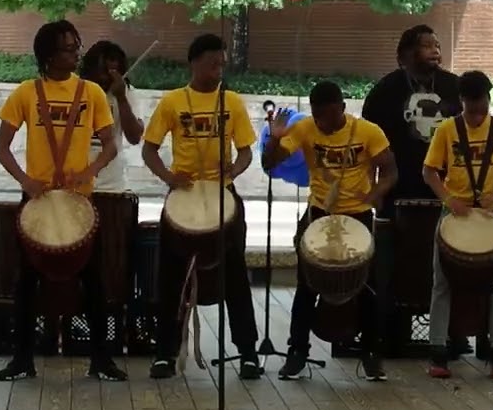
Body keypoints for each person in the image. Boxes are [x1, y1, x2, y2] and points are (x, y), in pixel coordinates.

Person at [0, 20, 126, 382]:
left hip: (79, 201)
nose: (76, 54)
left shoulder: (91, 93)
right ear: (48, 55)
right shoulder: (27, 93)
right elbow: (1, 148)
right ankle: (23, 359)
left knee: (94, 282)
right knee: (26, 281)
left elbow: (110, 145)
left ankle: (101, 359)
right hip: (37, 200)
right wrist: (25, 180)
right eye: (68, 48)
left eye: (76, 46)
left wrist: (89, 170)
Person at [142, 33, 262, 380]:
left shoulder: (232, 102)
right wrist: (168, 177)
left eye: (221, 64)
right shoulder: (173, 102)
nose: (218, 70)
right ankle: (165, 353)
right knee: (171, 278)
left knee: (235, 275)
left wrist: (233, 170)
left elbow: (246, 152)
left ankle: (248, 353)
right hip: (183, 196)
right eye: (212, 64)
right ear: (194, 62)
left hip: (223, 195)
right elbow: (149, 149)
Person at [262, 81, 399, 381]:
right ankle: (297, 352)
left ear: (342, 108)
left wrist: (375, 193)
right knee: (306, 286)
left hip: (357, 215)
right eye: (317, 116)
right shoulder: (305, 128)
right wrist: (274, 138)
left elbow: (390, 170)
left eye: (327, 115)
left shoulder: (368, 131)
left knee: (367, 286)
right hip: (319, 213)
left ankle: (371, 354)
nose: (321, 123)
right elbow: (269, 163)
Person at [361, 25, 468, 353]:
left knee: (451, 260)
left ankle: (454, 331)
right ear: (406, 54)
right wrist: (375, 188)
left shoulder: (455, 88)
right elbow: (370, 145)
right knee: (397, 262)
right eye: (426, 45)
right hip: (399, 188)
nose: (435, 50)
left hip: (446, 189)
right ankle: (393, 330)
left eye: (438, 45)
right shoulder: (385, 91)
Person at [421, 71, 493, 379]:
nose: (478, 114)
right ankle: (438, 350)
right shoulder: (447, 130)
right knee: (442, 282)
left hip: (490, 215)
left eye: (482, 107)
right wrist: (448, 199)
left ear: (489, 99)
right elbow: (429, 172)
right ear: (461, 101)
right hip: (454, 215)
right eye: (471, 108)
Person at [79, 40, 145, 191]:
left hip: (112, 184)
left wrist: (121, 98)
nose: (106, 78)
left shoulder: (126, 92)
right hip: (76, 179)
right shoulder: (76, 91)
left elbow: (135, 137)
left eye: (113, 72)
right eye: (103, 72)